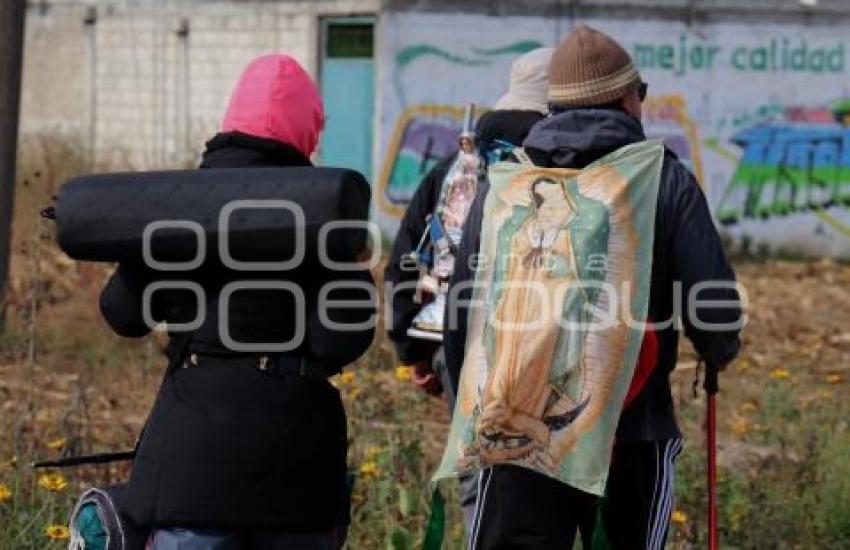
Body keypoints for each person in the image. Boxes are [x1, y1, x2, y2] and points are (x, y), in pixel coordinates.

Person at [445, 26, 742, 549]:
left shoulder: (506, 185)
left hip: (514, 434)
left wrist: (466, 405)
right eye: (641, 92)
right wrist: (719, 351)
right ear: (627, 99)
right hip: (632, 429)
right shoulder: (664, 181)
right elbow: (713, 308)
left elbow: (461, 309)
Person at [99, 54, 376, 549]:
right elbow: (338, 341)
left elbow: (124, 315)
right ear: (309, 127)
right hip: (293, 476)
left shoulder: (176, 206)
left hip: (188, 469)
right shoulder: (321, 213)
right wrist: (351, 265)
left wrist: (137, 249)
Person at [384, 47, 552, 534]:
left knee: (480, 473)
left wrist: (414, 350)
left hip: (457, 346)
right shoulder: (564, 163)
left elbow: (408, 262)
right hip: (540, 347)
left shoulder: (454, 168)